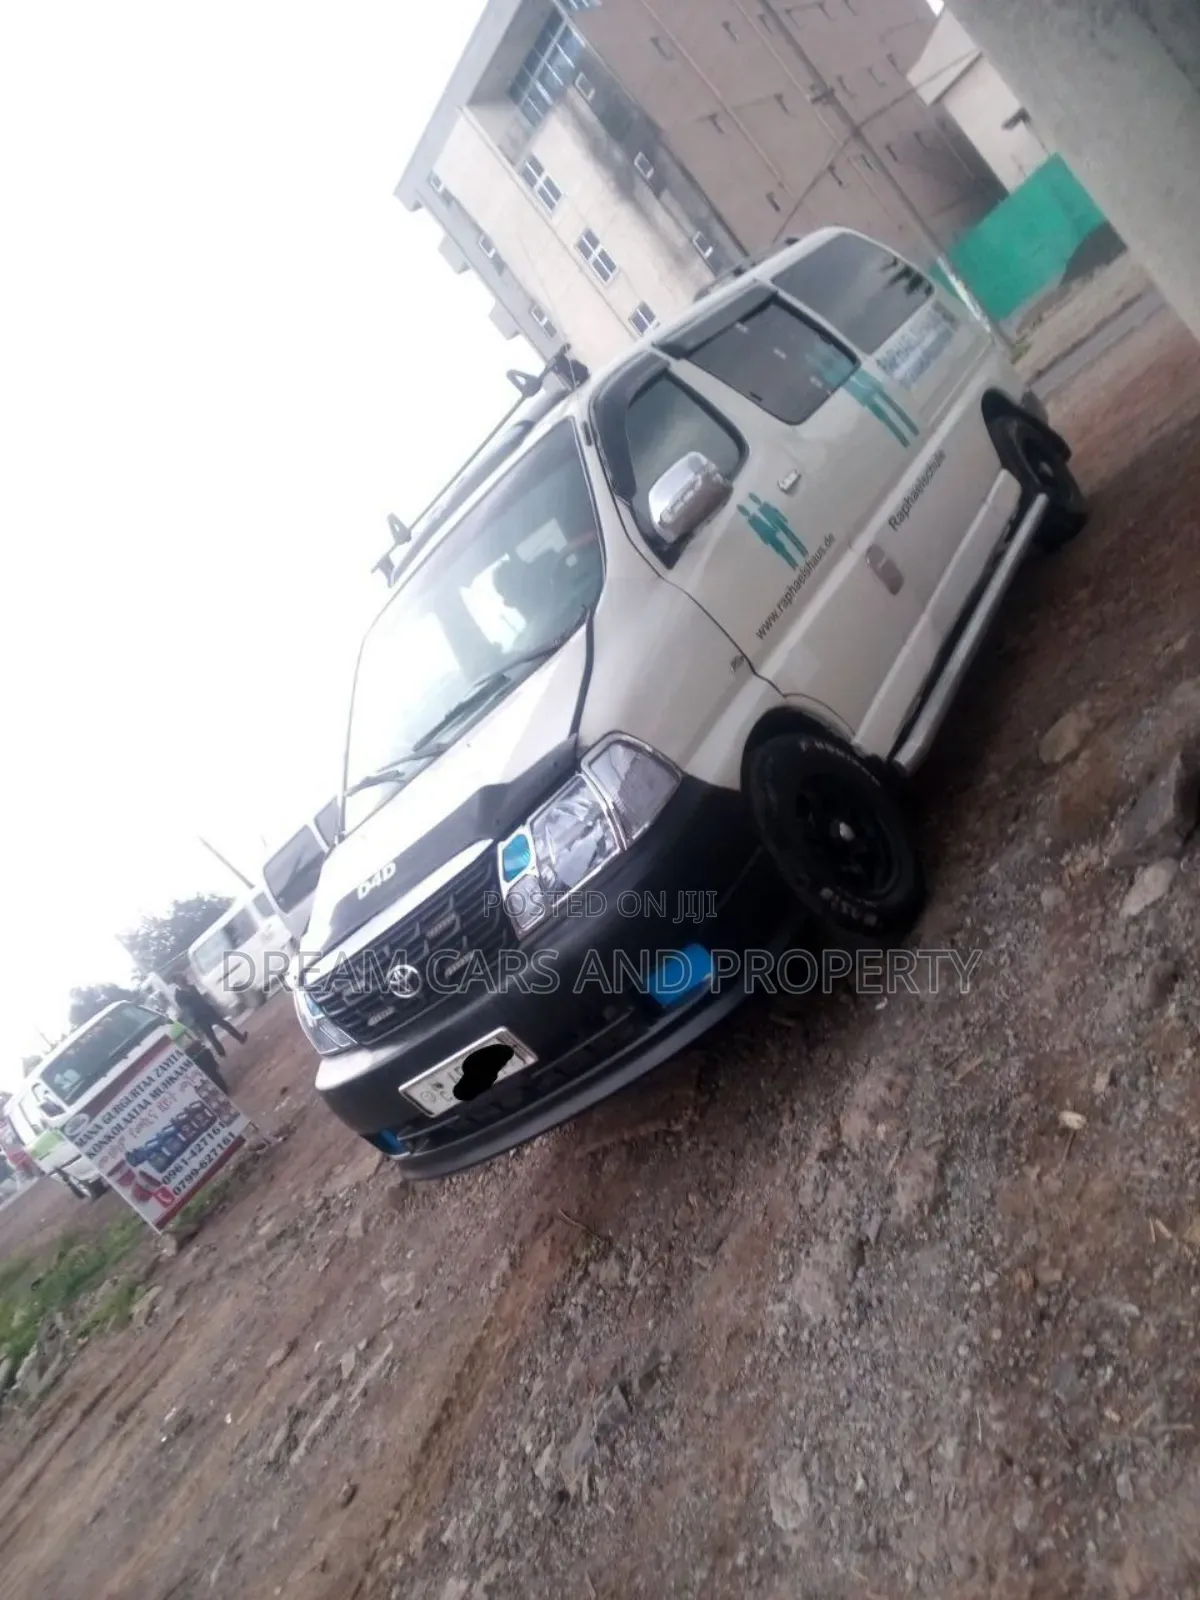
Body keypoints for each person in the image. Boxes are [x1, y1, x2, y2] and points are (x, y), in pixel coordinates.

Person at [171, 977, 247, 1058]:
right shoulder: (178, 995)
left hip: (208, 1011)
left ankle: (240, 1038)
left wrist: (212, 1005)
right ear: (176, 982)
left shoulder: (191, 987)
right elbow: (183, 1008)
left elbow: (201, 998)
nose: (182, 980)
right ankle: (221, 1053)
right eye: (179, 979)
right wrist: (191, 1016)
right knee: (211, 1036)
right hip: (199, 1017)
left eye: (182, 978)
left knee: (225, 1024)